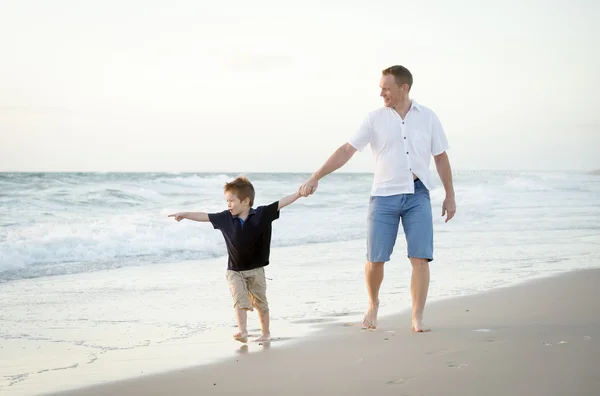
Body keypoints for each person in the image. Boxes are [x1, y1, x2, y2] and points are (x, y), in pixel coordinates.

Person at [299, 65, 456, 332]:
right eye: (381, 87)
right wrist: (316, 176)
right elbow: (347, 150)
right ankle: (373, 304)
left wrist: (450, 195)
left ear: (403, 88)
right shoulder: (373, 119)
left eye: (386, 87)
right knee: (376, 259)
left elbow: (440, 157)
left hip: (417, 194)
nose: (381, 92)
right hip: (383, 196)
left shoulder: (428, 117)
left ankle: (417, 317)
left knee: (420, 258)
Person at [169, 176, 301, 343]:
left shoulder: (262, 214)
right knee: (239, 299)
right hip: (234, 270)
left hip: (256, 270)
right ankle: (243, 332)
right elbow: (205, 216)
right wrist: (185, 214)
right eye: (227, 201)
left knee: (261, 303)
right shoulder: (225, 218)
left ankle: (265, 333)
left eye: (231, 201)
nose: (228, 205)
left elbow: (282, 202)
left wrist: (299, 193)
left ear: (246, 201)